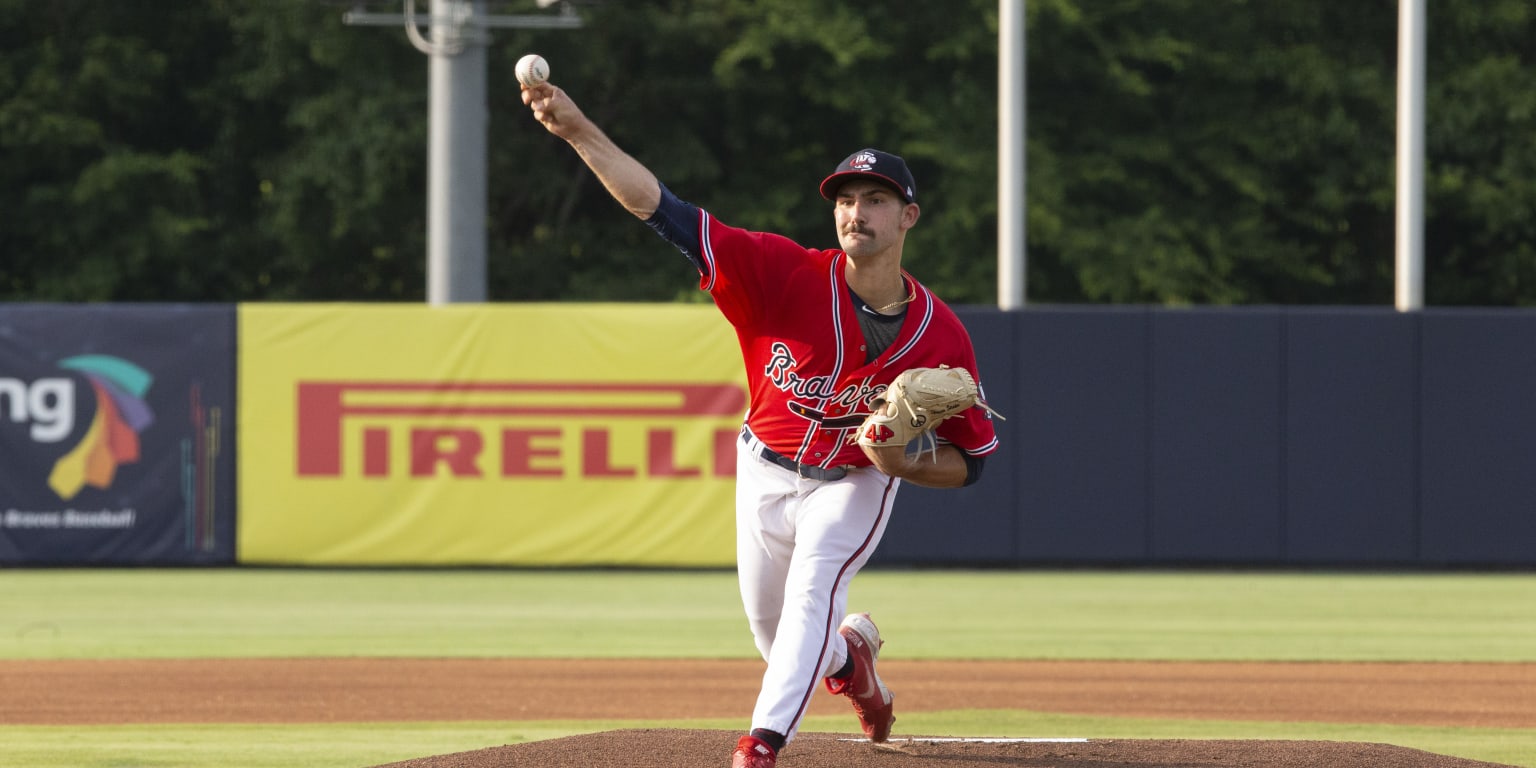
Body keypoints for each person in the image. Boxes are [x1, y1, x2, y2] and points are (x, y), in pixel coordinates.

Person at [521, 78, 999, 768]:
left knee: (814, 588)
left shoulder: (941, 335)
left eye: (874, 200)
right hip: (763, 467)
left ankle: (761, 745)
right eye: (844, 199)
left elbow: (974, 461)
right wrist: (576, 132)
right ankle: (851, 657)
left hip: (853, 482)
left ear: (908, 218)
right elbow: (662, 210)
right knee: (779, 639)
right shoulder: (781, 272)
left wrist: (906, 465)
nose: (854, 212)